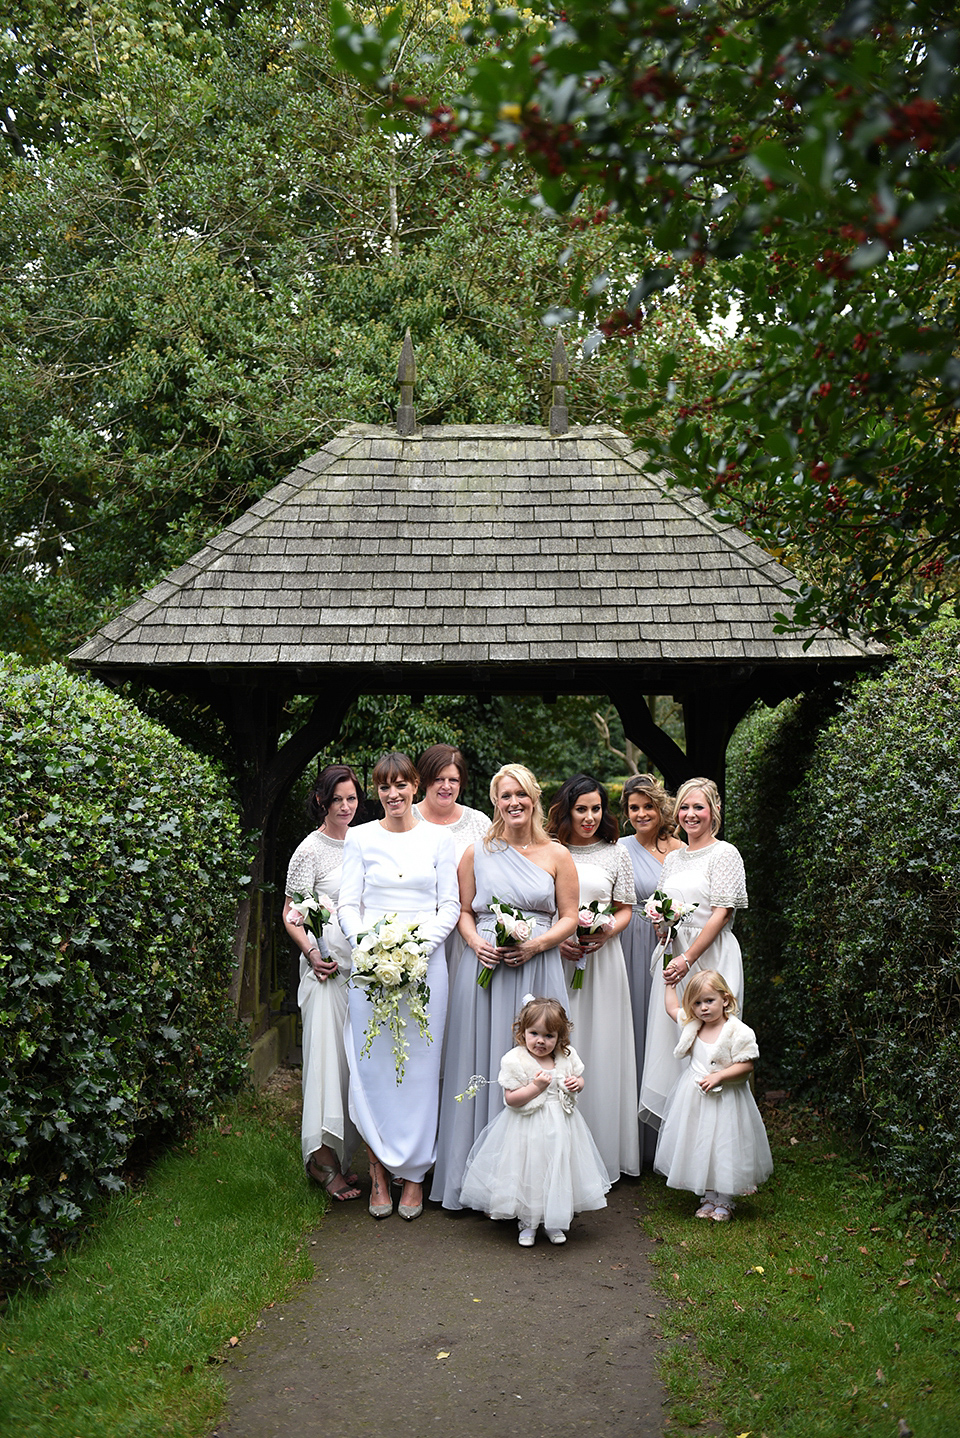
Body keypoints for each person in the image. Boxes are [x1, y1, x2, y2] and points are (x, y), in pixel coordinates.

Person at [430, 763, 579, 1210]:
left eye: (520, 794)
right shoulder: (476, 852)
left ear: (533, 798)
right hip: (486, 971)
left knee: (537, 1061)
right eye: (504, 796)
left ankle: (534, 1189)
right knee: (481, 1059)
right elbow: (462, 911)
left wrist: (537, 945)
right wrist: (476, 943)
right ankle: (474, 1181)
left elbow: (569, 917)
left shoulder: (558, 855)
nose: (513, 803)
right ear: (495, 802)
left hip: (537, 966)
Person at [338, 752, 459, 1220]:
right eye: (385, 787)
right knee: (374, 1070)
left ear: (416, 787)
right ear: (378, 792)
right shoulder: (360, 838)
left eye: (402, 785)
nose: (394, 794)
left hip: (425, 968)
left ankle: (414, 1177)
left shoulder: (439, 838)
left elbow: (448, 905)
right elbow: (349, 904)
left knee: (422, 1072)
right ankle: (377, 1174)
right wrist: (370, 945)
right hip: (372, 969)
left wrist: (416, 948)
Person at [638, 777, 748, 1129]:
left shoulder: (725, 853)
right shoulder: (673, 860)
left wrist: (688, 959)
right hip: (675, 954)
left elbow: (722, 912)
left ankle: (722, 1136)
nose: (690, 814)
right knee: (678, 1039)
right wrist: (662, 926)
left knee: (717, 1044)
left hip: (711, 955)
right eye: (684, 807)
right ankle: (685, 1139)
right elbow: (663, 905)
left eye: (698, 806)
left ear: (713, 811)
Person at [458, 996, 610, 1245]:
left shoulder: (565, 1056)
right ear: (522, 1032)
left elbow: (579, 1080)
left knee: (557, 1169)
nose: (541, 1041)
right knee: (531, 1171)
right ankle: (528, 1223)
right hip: (527, 1129)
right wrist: (537, 1086)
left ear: (560, 1037)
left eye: (549, 1036)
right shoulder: (515, 1060)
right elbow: (511, 1099)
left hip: (562, 1126)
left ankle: (554, 1221)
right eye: (534, 1033)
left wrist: (577, 1084)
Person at [547, 774, 640, 1182]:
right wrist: (559, 936)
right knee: (559, 1041)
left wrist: (604, 931)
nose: (588, 816)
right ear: (567, 809)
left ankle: (602, 1150)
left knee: (601, 1045)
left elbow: (625, 908)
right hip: (558, 958)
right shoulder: (549, 850)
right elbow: (537, 903)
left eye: (596, 808)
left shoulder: (616, 853)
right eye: (581, 808)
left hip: (602, 962)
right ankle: (557, 1148)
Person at [283, 764, 364, 1202]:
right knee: (324, 1061)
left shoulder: (366, 842)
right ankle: (320, 1161)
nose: (346, 807)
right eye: (338, 800)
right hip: (324, 972)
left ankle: (343, 1154)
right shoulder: (308, 851)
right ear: (322, 801)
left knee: (351, 1066)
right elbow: (290, 914)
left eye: (352, 799)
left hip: (359, 972)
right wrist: (313, 954)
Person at [654, 969, 772, 1221]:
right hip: (695, 1100)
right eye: (697, 1003)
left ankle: (726, 1200)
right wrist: (670, 984)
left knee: (724, 1145)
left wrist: (720, 1076)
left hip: (726, 1100)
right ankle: (708, 1196)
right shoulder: (693, 1025)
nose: (703, 1008)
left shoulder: (738, 1031)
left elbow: (747, 1064)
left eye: (709, 1001)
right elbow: (671, 1007)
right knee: (699, 1144)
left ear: (725, 1000)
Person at [618, 774, 684, 1162]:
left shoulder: (681, 849)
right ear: (626, 813)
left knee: (667, 1030)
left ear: (662, 808)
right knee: (635, 1029)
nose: (642, 813)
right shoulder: (621, 849)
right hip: (632, 944)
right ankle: (634, 1141)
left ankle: (668, 1136)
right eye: (634, 808)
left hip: (673, 944)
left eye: (648, 806)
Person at [413, 744, 489, 987]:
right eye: (438, 779)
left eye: (453, 780)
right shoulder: (407, 818)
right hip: (418, 924)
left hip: (466, 929)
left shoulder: (478, 822)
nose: (446, 786)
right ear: (424, 780)